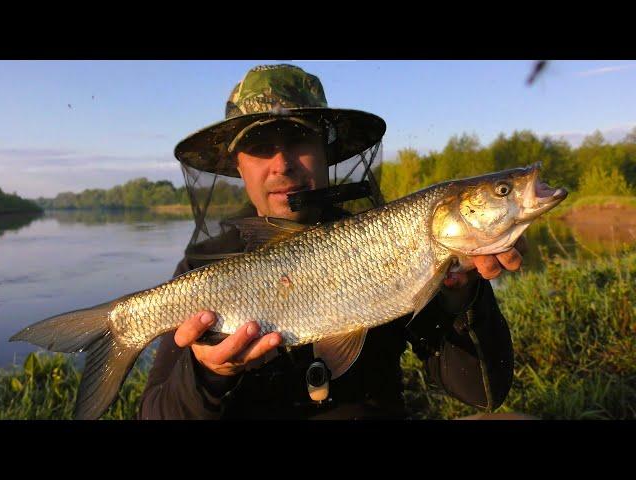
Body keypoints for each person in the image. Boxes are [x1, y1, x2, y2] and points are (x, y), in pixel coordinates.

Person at [138, 64, 525, 420]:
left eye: (298, 138)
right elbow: (153, 414)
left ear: (328, 150)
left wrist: (462, 298)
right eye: (259, 146)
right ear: (238, 165)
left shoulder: (390, 245)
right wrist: (207, 374)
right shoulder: (202, 269)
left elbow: (484, 393)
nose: (282, 163)